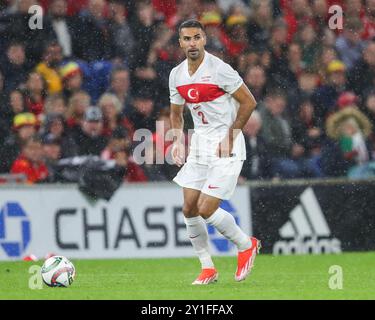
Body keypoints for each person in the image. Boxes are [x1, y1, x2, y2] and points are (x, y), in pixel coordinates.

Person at [169, 20, 260, 285]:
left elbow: (249, 102)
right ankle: (207, 267)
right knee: (188, 208)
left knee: (206, 208)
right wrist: (176, 141)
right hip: (199, 145)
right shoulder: (176, 75)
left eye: (197, 37)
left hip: (226, 144)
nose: (192, 43)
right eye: (187, 39)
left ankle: (246, 245)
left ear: (205, 39)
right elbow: (176, 113)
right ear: (180, 43)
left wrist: (231, 136)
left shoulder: (220, 69)